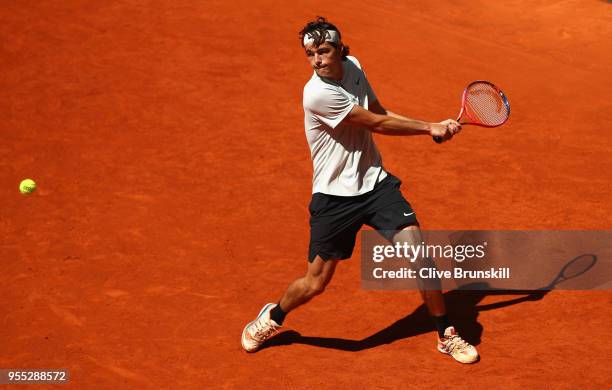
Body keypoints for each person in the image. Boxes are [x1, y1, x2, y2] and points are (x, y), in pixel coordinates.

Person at [241, 17, 479, 364]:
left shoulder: (354, 67)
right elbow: (376, 123)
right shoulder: (317, 93)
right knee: (314, 284)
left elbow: (378, 111)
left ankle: (446, 333)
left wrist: (431, 125)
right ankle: (273, 316)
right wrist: (430, 127)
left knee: (422, 259)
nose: (317, 60)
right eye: (310, 54)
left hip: (375, 185)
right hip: (334, 197)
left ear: (339, 49)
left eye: (323, 51)